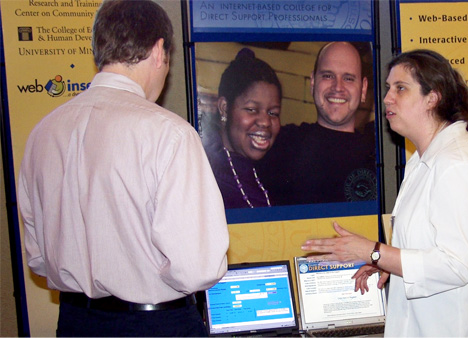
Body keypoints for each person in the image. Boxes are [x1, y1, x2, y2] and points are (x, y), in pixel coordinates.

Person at [17, 1, 229, 336]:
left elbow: (39, 259)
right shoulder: (169, 135)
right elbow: (198, 268)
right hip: (157, 324)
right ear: (159, 51)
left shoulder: (43, 133)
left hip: (74, 323)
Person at [301, 49, 468, 336]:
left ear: (432, 98)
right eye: (388, 88)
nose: (387, 98)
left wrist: (373, 252)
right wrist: (388, 263)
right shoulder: (421, 161)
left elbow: (456, 265)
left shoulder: (456, 164)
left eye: (400, 88)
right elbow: (427, 247)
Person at [256, 41, 377, 205]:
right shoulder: (281, 143)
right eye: (328, 76)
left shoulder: (380, 154)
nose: (337, 87)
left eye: (348, 78)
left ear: (363, 90)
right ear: (313, 82)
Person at [202, 48, 282, 209]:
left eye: (273, 113)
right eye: (251, 109)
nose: (265, 122)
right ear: (224, 108)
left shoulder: (275, 169)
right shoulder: (206, 176)